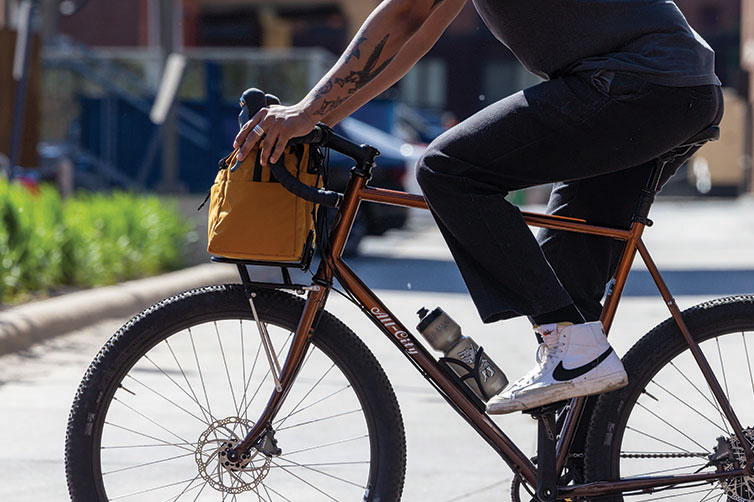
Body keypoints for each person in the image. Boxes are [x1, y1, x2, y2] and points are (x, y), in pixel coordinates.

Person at [233, 0, 723, 414]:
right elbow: (417, 35)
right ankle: (585, 469)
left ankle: (577, 350)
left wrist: (307, 113)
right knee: (564, 301)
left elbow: (404, 16)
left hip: (634, 84)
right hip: (665, 89)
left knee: (447, 169)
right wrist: (321, 123)